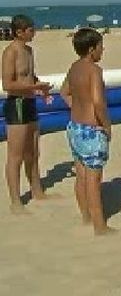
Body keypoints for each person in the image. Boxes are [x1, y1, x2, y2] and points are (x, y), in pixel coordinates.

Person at [60, 28, 115, 235]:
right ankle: (100, 226)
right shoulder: (94, 70)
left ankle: (85, 216)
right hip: (92, 128)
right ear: (92, 49)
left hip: (75, 126)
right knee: (93, 181)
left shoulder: (74, 67)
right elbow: (98, 102)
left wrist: (77, 107)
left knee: (81, 175)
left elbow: (64, 92)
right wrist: (107, 125)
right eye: (101, 46)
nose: (103, 49)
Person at [1, 15, 53, 214]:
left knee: (33, 151)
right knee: (15, 155)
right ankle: (15, 201)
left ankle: (37, 191)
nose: (34, 32)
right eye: (30, 30)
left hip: (30, 102)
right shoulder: (10, 52)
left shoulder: (29, 51)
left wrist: (41, 88)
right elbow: (8, 85)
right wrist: (34, 86)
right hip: (17, 104)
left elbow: (29, 76)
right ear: (19, 32)